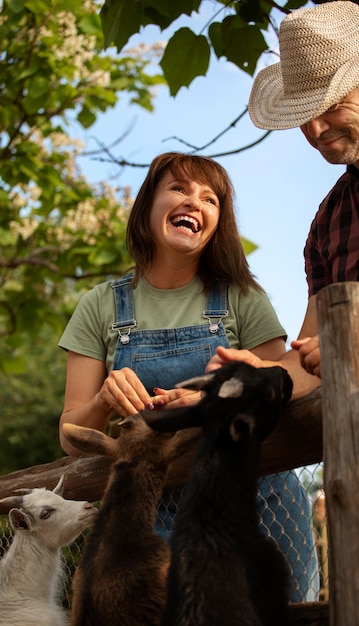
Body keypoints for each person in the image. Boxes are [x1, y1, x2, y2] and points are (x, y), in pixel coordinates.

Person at [208, 0, 359, 581]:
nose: (316, 130)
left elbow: (348, 355)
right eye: (304, 115)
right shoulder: (327, 223)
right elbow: (311, 356)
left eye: (330, 107)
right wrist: (253, 379)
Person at [58, 151, 319, 602]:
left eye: (210, 198)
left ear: (218, 221)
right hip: (152, 516)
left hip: (260, 505)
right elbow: (69, 434)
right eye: (178, 188)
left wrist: (215, 399)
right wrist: (104, 398)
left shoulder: (242, 297)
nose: (194, 202)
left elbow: (284, 388)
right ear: (148, 206)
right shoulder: (99, 305)